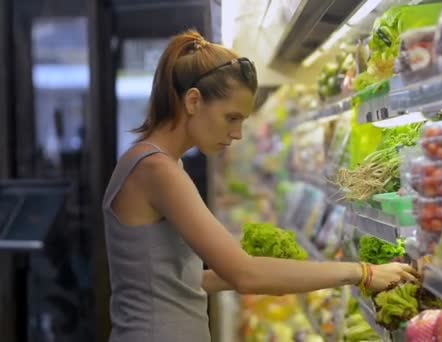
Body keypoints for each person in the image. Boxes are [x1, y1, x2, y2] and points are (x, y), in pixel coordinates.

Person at [103, 29, 412, 342]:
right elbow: (245, 274)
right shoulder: (156, 170)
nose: (237, 133)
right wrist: (361, 272)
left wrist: (277, 274)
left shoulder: (155, 163)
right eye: (231, 117)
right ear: (194, 101)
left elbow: (176, 282)